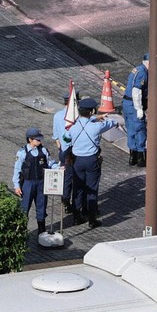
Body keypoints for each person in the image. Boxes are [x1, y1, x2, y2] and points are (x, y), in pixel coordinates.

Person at [63, 97, 120, 227]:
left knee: (78, 189)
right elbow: (111, 123)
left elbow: (66, 140)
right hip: (91, 161)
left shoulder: (73, 127)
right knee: (92, 189)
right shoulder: (97, 127)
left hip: (77, 161)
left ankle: (77, 217)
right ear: (91, 111)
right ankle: (92, 218)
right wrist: (105, 119)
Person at [12, 128, 59, 236]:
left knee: (41, 207)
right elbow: (17, 170)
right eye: (37, 140)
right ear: (30, 140)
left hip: (41, 183)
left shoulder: (43, 151)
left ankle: (41, 232)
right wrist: (16, 186)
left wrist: (57, 168)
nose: (39, 142)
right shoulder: (22, 153)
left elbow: (50, 162)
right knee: (24, 208)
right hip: (28, 184)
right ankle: (21, 232)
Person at [52, 90, 79, 214]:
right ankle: (75, 203)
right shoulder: (76, 117)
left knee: (66, 178)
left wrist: (61, 149)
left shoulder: (57, 115)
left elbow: (56, 137)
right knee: (77, 179)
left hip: (63, 151)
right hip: (76, 151)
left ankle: (65, 200)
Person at [123, 53, 149, 167]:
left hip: (127, 103)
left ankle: (132, 157)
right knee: (140, 129)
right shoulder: (143, 73)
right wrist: (139, 108)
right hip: (134, 104)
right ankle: (140, 158)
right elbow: (136, 91)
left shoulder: (137, 69)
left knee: (130, 129)